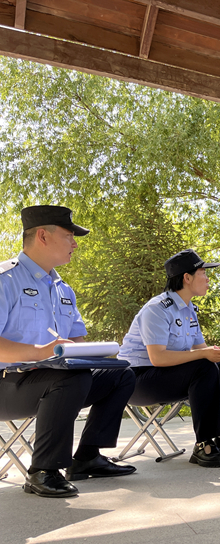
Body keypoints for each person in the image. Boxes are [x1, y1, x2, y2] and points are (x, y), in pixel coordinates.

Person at [0, 205, 135, 498]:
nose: (74, 243)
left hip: (54, 380)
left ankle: (87, 456)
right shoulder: (5, 280)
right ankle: (43, 471)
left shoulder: (64, 290)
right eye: (69, 235)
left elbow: (77, 342)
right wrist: (41, 351)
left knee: (121, 375)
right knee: (70, 378)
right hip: (8, 383)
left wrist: (94, 351)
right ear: (43, 236)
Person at [118, 249, 220, 468]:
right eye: (203, 273)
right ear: (187, 277)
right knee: (204, 367)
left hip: (165, 375)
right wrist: (204, 354)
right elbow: (157, 358)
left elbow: (201, 349)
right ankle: (203, 443)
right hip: (136, 381)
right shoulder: (157, 309)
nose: (208, 278)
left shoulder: (189, 310)